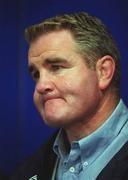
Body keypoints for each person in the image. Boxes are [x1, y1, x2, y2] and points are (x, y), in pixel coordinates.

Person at [10, 12, 128, 180]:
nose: (41, 86)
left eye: (56, 67)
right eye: (36, 74)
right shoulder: (25, 172)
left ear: (103, 72)